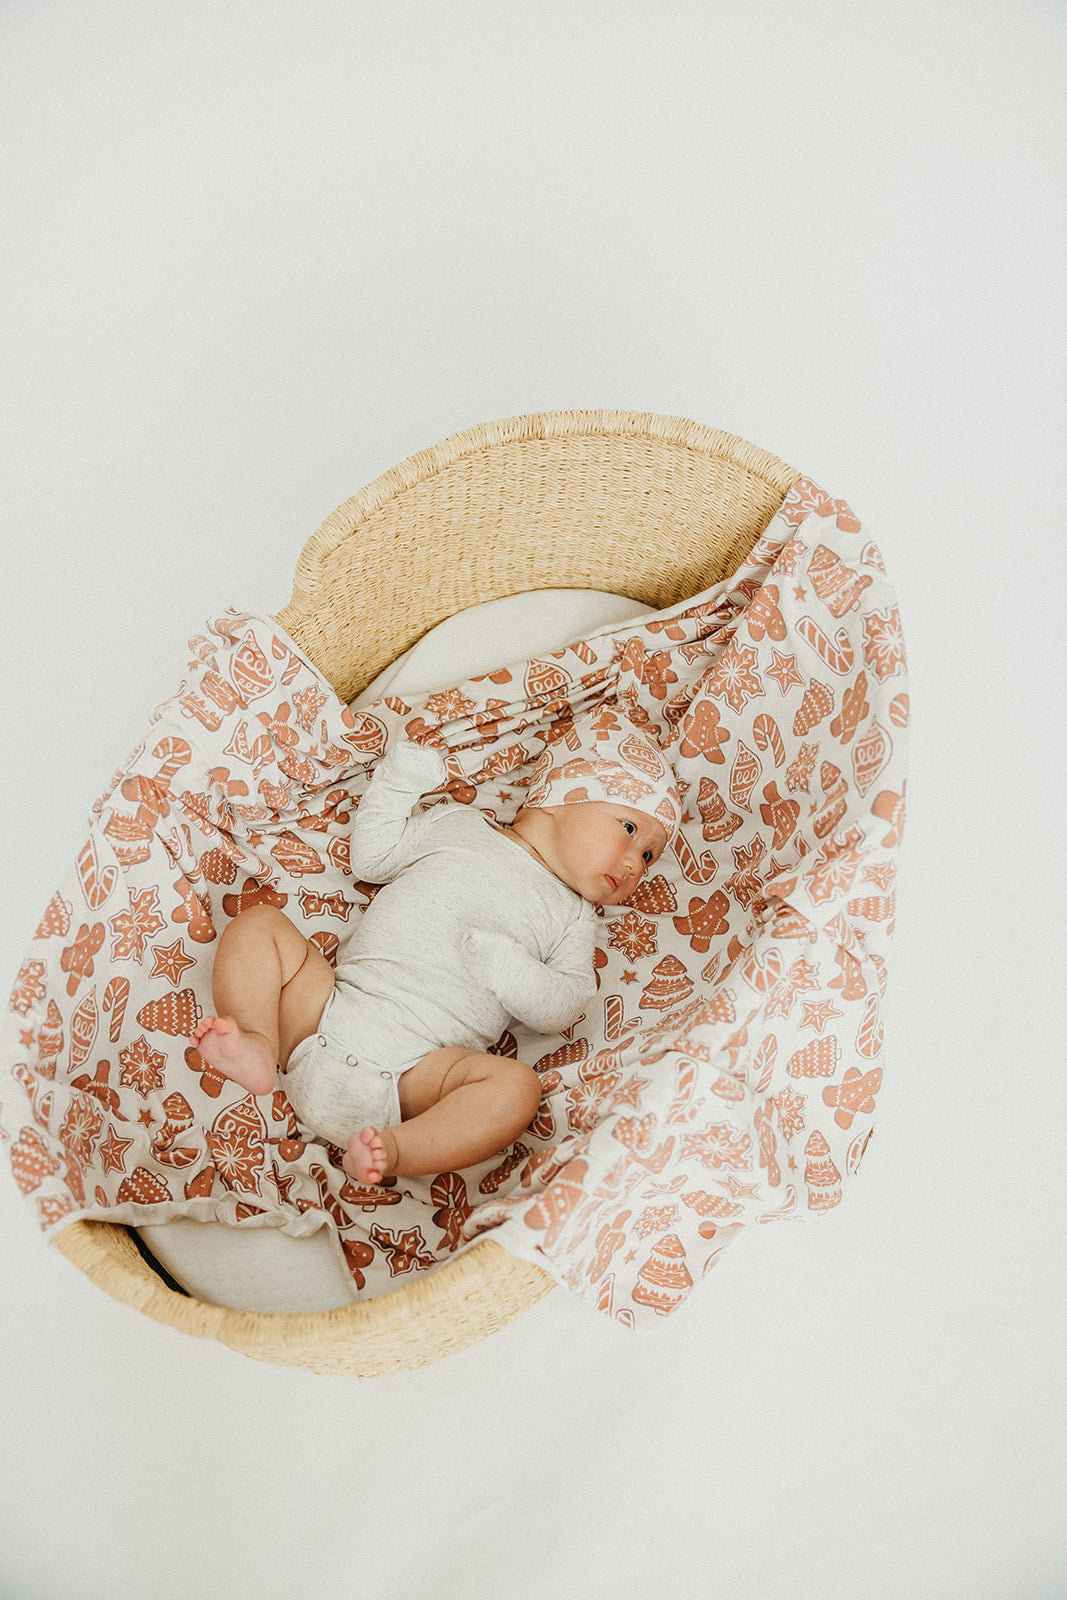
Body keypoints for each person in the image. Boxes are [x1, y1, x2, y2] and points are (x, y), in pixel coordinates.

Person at [190, 702, 682, 1186]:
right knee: (259, 924)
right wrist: (397, 782)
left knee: (517, 1089)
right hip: (326, 1013)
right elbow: (374, 860)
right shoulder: (458, 824)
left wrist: (510, 970)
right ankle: (256, 1041)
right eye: (630, 829)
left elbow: (563, 1007)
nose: (636, 863)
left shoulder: (574, 917)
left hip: (418, 1077)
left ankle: (398, 1151)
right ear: (566, 794)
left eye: (648, 856)